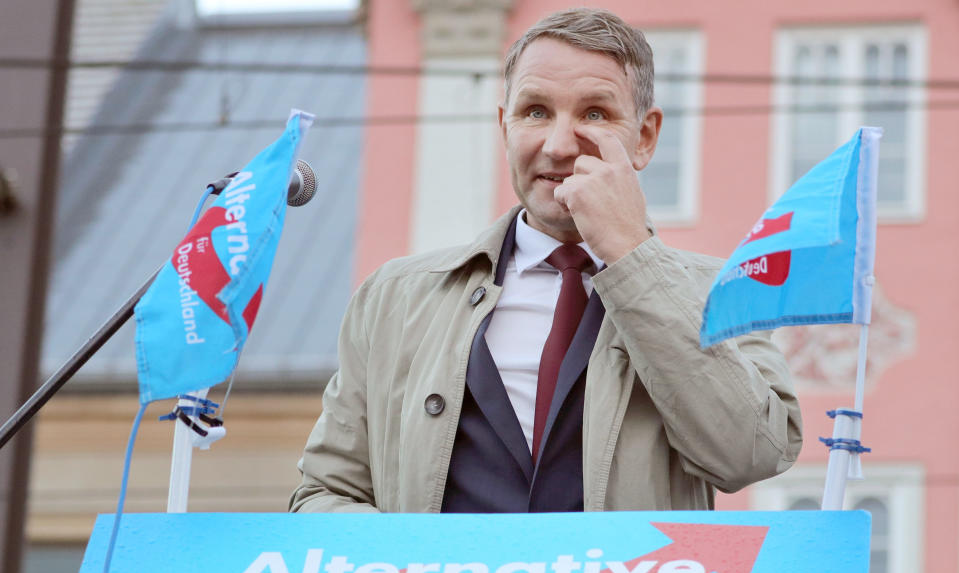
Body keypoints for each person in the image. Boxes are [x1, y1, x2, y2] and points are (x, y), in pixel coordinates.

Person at [290, 7, 802, 514]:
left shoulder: (721, 291)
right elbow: (324, 495)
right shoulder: (395, 298)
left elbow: (751, 454)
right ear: (504, 125)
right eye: (535, 111)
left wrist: (630, 257)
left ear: (644, 138)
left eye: (594, 114)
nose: (558, 146)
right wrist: (406, 566)